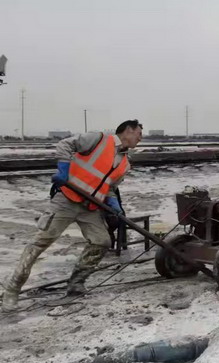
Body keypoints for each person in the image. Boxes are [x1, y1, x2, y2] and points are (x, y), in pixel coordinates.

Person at [1, 120, 143, 312]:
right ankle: (12, 289)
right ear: (128, 130)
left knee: (102, 241)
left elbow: (109, 187)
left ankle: (76, 284)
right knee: (40, 242)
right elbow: (64, 145)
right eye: (138, 134)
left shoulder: (125, 163)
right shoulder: (99, 139)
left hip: (90, 207)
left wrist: (113, 203)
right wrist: (63, 168)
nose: (140, 138)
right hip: (66, 200)